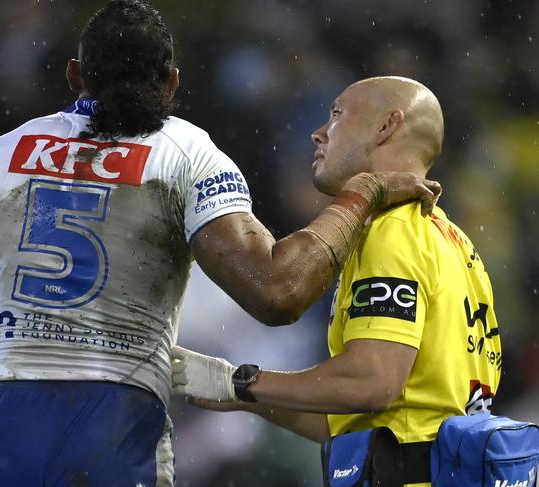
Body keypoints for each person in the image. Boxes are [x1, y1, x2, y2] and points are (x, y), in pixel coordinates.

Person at [0, 1, 440, 484]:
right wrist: (361, 193)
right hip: (114, 418)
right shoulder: (185, 153)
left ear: (76, 74)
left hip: (3, 422)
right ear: (173, 83)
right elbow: (279, 292)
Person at [172, 76, 502, 486]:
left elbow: (372, 381)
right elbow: (345, 419)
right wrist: (241, 393)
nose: (319, 132)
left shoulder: (391, 232)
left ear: (386, 127)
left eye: (337, 114)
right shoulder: (453, 240)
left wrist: (242, 380)